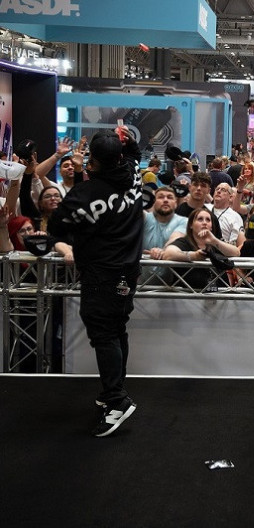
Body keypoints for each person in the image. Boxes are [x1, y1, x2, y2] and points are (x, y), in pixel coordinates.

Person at [48, 128, 144, 437]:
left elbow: (56, 225)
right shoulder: (134, 174)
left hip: (102, 274)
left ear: (94, 162)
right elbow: (134, 155)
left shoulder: (83, 194)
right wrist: (130, 143)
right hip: (128, 272)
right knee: (116, 329)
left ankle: (117, 400)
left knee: (104, 334)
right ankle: (113, 390)